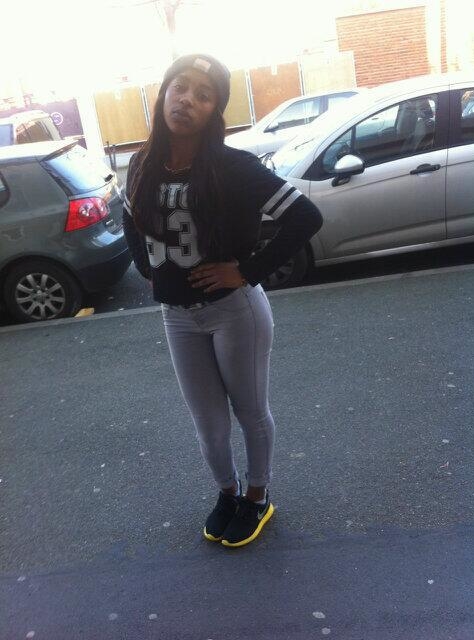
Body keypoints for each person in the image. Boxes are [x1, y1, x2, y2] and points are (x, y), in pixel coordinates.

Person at [122, 54, 323, 548]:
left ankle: (257, 495)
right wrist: (148, 267)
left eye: (203, 94)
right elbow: (128, 215)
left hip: (235, 312)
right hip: (177, 317)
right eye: (179, 87)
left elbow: (305, 217)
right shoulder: (142, 163)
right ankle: (228, 492)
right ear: (163, 93)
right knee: (208, 424)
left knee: (250, 412)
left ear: (215, 110)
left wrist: (246, 270)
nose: (186, 100)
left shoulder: (234, 167)